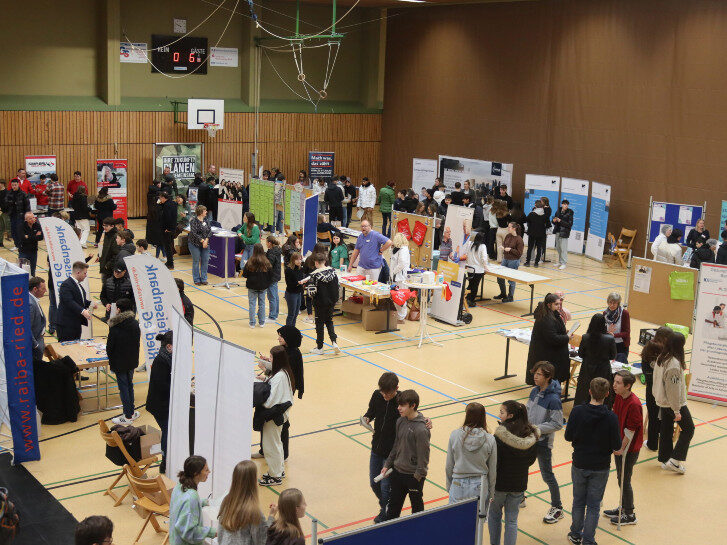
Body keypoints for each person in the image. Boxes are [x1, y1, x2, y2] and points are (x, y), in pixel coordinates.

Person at [565, 377, 620, 545]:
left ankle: (575, 533)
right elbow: (616, 445)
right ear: (607, 394)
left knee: (579, 501)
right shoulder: (611, 417)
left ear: (589, 391)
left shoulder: (578, 411)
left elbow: (568, 436)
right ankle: (588, 540)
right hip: (600, 466)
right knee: (594, 505)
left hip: (580, 463)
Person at [488, 400, 538, 545]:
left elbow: (494, 462)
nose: (499, 414)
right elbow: (530, 460)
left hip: (499, 484)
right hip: (519, 484)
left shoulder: (500, 436)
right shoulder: (531, 434)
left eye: (502, 412)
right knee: (511, 520)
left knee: (495, 516)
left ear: (510, 415)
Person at [382, 389, 430, 520]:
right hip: (397, 473)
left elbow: (424, 457)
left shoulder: (421, 429)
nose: (398, 408)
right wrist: (387, 464)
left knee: (417, 512)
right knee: (392, 511)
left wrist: (417, 477)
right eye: (398, 405)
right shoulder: (400, 421)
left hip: (413, 477)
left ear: (413, 406)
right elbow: (396, 445)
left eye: (402, 405)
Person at [526, 362, 565, 524]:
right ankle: (519, 496)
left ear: (548, 377)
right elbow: (528, 412)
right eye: (535, 373)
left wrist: (536, 429)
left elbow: (557, 424)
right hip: (528, 439)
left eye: (539, 374)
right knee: (521, 468)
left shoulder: (554, 400)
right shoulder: (534, 391)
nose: (535, 376)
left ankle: (557, 507)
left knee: (547, 475)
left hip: (542, 443)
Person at [605, 370, 643, 526]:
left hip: (629, 448)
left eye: (618, 383)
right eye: (614, 381)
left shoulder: (634, 404)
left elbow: (631, 430)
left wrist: (621, 448)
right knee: (620, 478)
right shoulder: (619, 396)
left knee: (625, 480)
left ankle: (630, 513)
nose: (614, 385)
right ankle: (623, 507)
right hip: (619, 443)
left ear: (627, 386)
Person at [653, 332, 694, 474]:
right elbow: (673, 390)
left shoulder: (661, 358)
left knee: (666, 429)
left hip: (663, 401)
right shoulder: (674, 365)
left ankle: (665, 459)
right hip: (673, 404)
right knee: (689, 429)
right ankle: (675, 461)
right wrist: (677, 410)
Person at [445, 402, 496, 505]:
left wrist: (449, 486)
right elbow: (492, 469)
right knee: (477, 520)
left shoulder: (455, 435)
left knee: (456, 519)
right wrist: (491, 491)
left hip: (458, 483)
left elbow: (449, 465)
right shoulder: (490, 439)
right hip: (480, 485)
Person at [258, 345, 295, 486]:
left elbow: (270, 400)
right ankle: (279, 469)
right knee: (277, 443)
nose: (270, 359)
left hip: (273, 416)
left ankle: (275, 476)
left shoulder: (279, 376)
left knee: (270, 445)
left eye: (271, 357)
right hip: (280, 415)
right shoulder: (283, 372)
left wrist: (260, 396)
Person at [217, 460, 276, 545]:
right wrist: (271, 517)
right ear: (253, 481)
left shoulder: (227, 501)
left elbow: (220, 535)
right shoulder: (253, 511)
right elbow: (262, 541)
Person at [106, 298, 141, 425]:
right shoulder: (135, 323)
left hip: (119, 361)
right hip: (131, 360)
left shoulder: (115, 326)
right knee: (129, 385)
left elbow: (110, 346)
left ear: (119, 310)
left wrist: (111, 359)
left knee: (123, 388)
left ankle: (127, 415)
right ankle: (131, 411)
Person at [526, 293, 571, 386]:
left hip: (549, 353)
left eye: (559, 304)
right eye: (556, 304)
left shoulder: (552, 314)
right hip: (548, 355)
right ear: (549, 305)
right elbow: (552, 338)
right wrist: (566, 337)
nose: (559, 306)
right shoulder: (546, 318)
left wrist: (563, 332)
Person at [169, 455, 216, 544]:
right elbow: (188, 532)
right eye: (206, 470)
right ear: (196, 473)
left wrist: (204, 502)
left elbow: (183, 504)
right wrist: (214, 532)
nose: (209, 471)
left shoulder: (179, 486)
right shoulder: (192, 497)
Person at [640, 326, 673, 452]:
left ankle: (654, 443)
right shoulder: (664, 350)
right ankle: (656, 444)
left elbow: (645, 369)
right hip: (659, 389)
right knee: (659, 417)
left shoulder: (651, 348)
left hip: (654, 388)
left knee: (655, 416)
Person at [145, 330, 173, 473]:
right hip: (160, 405)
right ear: (169, 346)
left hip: (161, 403)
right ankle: (165, 462)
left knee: (168, 430)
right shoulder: (162, 361)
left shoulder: (166, 357)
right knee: (167, 431)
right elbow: (163, 385)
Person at [575, 314, 617, 406]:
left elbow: (580, 354)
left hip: (587, 370)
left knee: (584, 392)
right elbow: (612, 356)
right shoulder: (609, 338)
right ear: (604, 324)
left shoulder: (585, 337)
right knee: (601, 392)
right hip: (603, 370)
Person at [305, 252, 341, 355]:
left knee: (319, 324)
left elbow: (311, 292)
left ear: (316, 262)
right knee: (329, 321)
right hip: (331, 302)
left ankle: (320, 347)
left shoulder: (314, 275)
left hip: (320, 303)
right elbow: (337, 287)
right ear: (325, 261)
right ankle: (334, 342)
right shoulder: (333, 272)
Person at [56, 261, 96, 342]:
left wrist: (90, 303)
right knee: (67, 349)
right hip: (66, 325)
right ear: (78, 272)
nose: (86, 275)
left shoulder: (78, 285)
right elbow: (69, 301)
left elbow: (80, 300)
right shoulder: (66, 285)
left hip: (75, 323)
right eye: (85, 273)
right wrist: (83, 311)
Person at [243, 243, 272, 328]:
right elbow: (271, 275)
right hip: (263, 286)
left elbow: (245, 274)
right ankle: (262, 322)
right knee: (262, 304)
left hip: (252, 286)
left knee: (252, 304)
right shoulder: (266, 262)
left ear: (254, 251)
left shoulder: (250, 261)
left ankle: (252, 323)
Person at [458, 231, 489, 305]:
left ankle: (466, 298)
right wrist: (485, 267)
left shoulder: (470, 244)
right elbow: (484, 258)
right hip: (478, 270)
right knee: (475, 285)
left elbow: (467, 255)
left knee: (471, 284)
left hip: (470, 268)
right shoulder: (483, 246)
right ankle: (471, 300)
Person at [495, 222, 523, 302]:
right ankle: (503, 293)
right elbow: (505, 244)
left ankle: (510, 296)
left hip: (513, 261)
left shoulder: (519, 239)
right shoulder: (508, 236)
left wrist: (510, 250)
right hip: (505, 259)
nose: (508, 228)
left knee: (511, 279)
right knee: (500, 276)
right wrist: (503, 247)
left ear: (514, 228)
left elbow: (519, 253)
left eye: (509, 227)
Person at [389, 232, 411, 323]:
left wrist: (394, 272)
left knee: (401, 296)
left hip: (401, 277)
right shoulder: (396, 249)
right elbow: (392, 258)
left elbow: (401, 263)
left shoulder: (403, 250)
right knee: (395, 296)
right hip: (395, 276)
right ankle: (399, 315)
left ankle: (401, 317)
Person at [188, 205, 211, 286]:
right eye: (205, 211)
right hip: (194, 244)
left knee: (205, 261)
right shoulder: (193, 221)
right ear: (201, 212)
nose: (206, 212)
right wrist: (202, 240)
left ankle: (204, 279)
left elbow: (209, 231)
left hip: (205, 244)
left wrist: (206, 240)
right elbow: (194, 233)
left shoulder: (206, 220)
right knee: (196, 261)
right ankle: (196, 279)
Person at [603, 292, 630, 361]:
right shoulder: (605, 313)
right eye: (610, 302)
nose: (612, 305)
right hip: (609, 344)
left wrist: (614, 335)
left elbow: (627, 332)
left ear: (618, 304)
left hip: (621, 345)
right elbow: (603, 329)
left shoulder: (624, 313)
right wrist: (607, 333)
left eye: (614, 303)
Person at [6, 178, 30, 248]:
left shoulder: (23, 194)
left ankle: (21, 244)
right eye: (12, 185)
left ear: (18, 185)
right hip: (12, 215)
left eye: (15, 185)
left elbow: (27, 205)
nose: (14, 186)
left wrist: (27, 216)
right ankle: (16, 245)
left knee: (19, 230)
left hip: (21, 215)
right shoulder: (9, 193)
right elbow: (6, 203)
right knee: (13, 231)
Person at [284, 253, 305, 327]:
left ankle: (292, 330)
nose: (299, 261)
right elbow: (289, 284)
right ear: (293, 260)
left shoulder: (300, 269)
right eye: (297, 259)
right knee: (291, 314)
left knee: (296, 314)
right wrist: (298, 283)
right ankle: (287, 331)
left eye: (300, 259)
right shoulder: (289, 270)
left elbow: (301, 279)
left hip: (298, 293)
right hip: (291, 293)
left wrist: (303, 282)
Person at [28, 276, 47, 362]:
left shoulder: (33, 300)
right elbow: (27, 328)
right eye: (43, 288)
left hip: (39, 340)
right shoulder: (31, 304)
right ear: (35, 289)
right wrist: (35, 345)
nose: (46, 291)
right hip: (34, 345)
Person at [18, 211, 42, 276]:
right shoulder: (21, 226)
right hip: (23, 251)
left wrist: (28, 236)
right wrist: (35, 236)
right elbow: (23, 238)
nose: (33, 219)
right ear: (26, 220)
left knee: (32, 270)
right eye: (30, 218)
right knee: (22, 270)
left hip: (33, 251)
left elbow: (41, 237)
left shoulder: (37, 225)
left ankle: (32, 285)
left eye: (33, 217)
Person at [525, 200, 548, 267]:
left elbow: (527, 220)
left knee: (530, 248)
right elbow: (547, 223)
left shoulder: (532, 214)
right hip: (541, 234)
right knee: (539, 248)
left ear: (535, 206)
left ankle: (528, 262)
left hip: (532, 233)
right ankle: (536, 263)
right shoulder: (544, 215)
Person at [552, 199, 573, 270]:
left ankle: (564, 263)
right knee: (558, 247)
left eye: (567, 205)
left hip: (564, 232)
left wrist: (561, 221)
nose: (565, 206)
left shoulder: (570, 212)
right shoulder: (558, 211)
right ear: (562, 204)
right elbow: (555, 221)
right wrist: (554, 221)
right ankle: (560, 261)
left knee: (563, 248)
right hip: (557, 231)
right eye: (564, 204)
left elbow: (569, 224)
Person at [158, 192, 177, 269]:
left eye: (160, 198)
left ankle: (170, 263)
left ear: (163, 197)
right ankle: (169, 261)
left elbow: (168, 217)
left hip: (167, 229)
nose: (159, 200)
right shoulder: (172, 203)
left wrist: (168, 229)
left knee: (167, 247)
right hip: (172, 228)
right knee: (169, 245)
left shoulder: (167, 205)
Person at [146, 179, 164, 259]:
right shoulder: (158, 193)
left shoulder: (149, 192)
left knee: (150, 228)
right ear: (158, 184)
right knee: (157, 229)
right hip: (156, 214)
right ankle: (156, 243)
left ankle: (151, 242)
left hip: (150, 213)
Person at [266, 236, 282, 322]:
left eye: (266, 242)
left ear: (269, 243)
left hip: (271, 276)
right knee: (275, 296)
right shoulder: (276, 250)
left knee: (272, 296)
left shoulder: (272, 252)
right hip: (275, 275)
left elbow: (269, 265)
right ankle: (275, 314)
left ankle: (272, 316)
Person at [98, 217, 119, 283]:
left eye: (106, 226)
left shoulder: (116, 237)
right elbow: (106, 249)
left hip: (110, 268)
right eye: (103, 225)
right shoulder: (107, 234)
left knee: (108, 286)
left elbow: (116, 253)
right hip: (104, 265)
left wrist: (108, 265)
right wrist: (100, 256)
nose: (104, 227)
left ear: (112, 226)